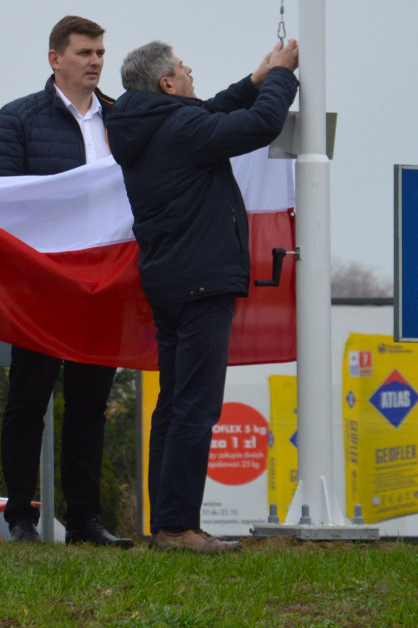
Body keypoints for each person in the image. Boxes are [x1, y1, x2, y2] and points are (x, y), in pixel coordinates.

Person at [106, 37, 300, 554]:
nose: (190, 70)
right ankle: (177, 528)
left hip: (171, 282)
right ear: (167, 83)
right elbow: (261, 125)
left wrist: (257, 79)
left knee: (174, 406)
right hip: (202, 282)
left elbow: (212, 109)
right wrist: (284, 76)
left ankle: (168, 524)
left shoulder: (150, 125)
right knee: (195, 408)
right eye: (182, 67)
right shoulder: (181, 129)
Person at [0, 15, 132, 547]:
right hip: (41, 284)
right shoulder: (18, 119)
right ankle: (20, 517)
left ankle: (86, 519)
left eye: (100, 52)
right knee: (27, 400)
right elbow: (3, 200)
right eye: (84, 52)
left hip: (104, 280)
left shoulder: (123, 118)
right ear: (55, 58)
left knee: (90, 404)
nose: (95, 61)